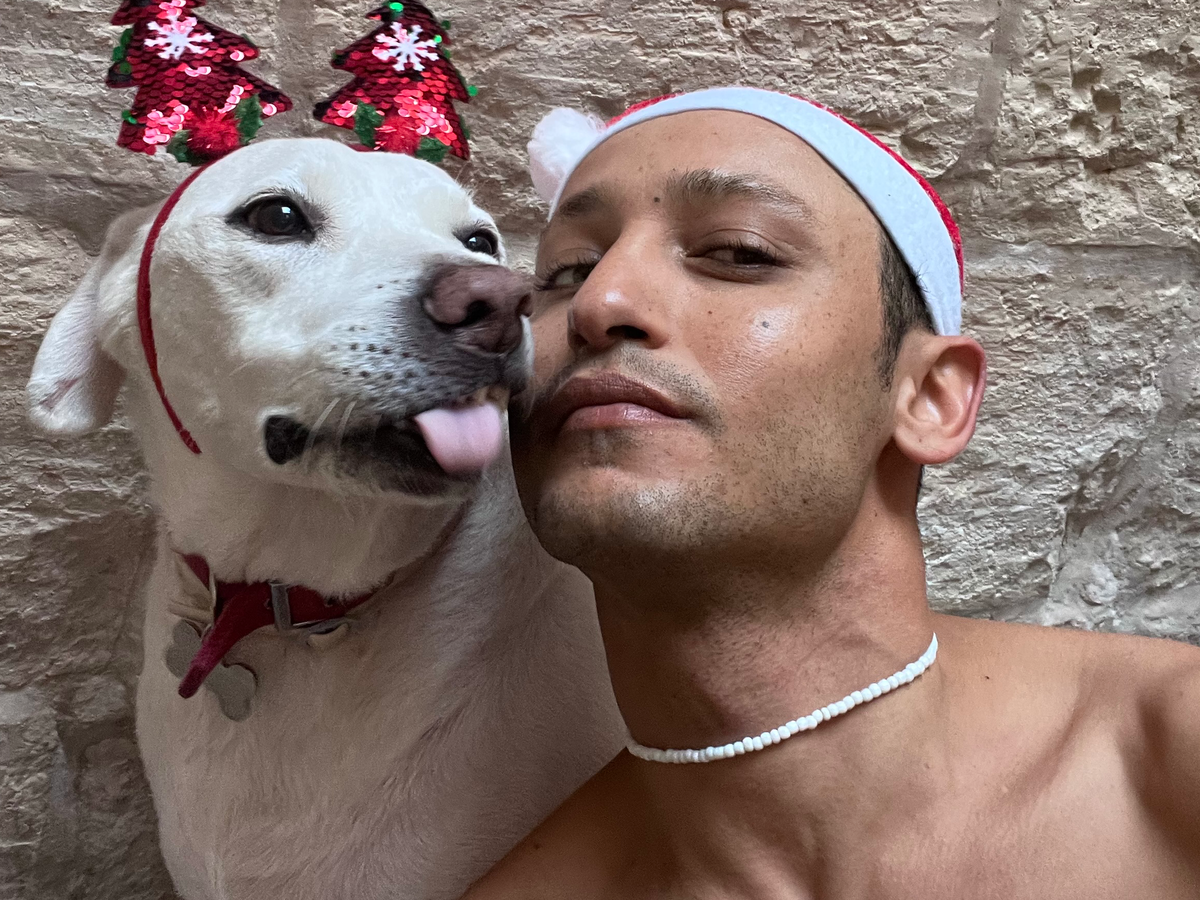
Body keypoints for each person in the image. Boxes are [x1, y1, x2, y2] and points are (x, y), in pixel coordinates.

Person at [464, 87, 1200, 899]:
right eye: (566, 271)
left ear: (930, 398)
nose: (599, 303)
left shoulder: (1168, 756)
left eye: (739, 252)